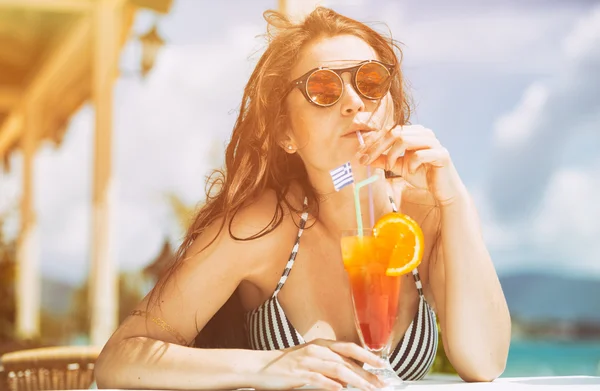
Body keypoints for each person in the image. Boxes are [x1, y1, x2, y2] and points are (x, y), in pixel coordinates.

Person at [95, 6, 511, 391]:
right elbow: (120, 358)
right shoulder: (262, 227)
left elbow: (485, 362)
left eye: (370, 81)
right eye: (324, 88)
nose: (353, 102)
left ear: (391, 105)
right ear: (285, 133)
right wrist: (271, 366)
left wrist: (455, 199)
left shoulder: (430, 213)